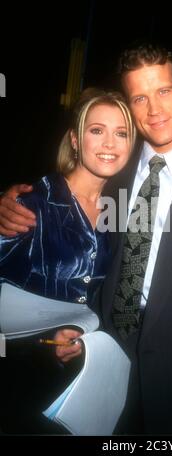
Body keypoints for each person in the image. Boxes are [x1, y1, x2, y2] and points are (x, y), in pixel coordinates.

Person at [0, 43, 172, 435]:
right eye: (140, 97)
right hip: (107, 349)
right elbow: (70, 198)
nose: (154, 110)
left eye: (164, 91)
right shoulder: (116, 163)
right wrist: (11, 202)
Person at [0, 88, 136, 433]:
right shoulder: (33, 204)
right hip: (20, 384)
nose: (109, 143)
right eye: (97, 130)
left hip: (85, 384)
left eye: (121, 133)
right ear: (75, 140)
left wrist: (81, 332)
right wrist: (43, 339)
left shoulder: (124, 213)